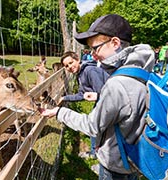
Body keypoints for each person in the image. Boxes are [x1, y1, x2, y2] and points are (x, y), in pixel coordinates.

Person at [41, 14, 155, 180]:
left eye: (96, 48)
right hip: (134, 155)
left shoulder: (117, 84)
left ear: (115, 43)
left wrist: (59, 112)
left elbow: (92, 126)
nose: (93, 55)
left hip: (116, 164)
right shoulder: (140, 71)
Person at [58, 51, 109, 159]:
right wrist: (65, 98)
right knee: (96, 126)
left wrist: (96, 96)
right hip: (102, 101)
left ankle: (96, 153)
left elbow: (104, 93)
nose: (69, 67)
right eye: (66, 66)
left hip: (107, 102)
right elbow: (82, 94)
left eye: (71, 63)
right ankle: (97, 151)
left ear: (77, 59)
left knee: (93, 124)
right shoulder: (80, 73)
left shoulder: (90, 71)